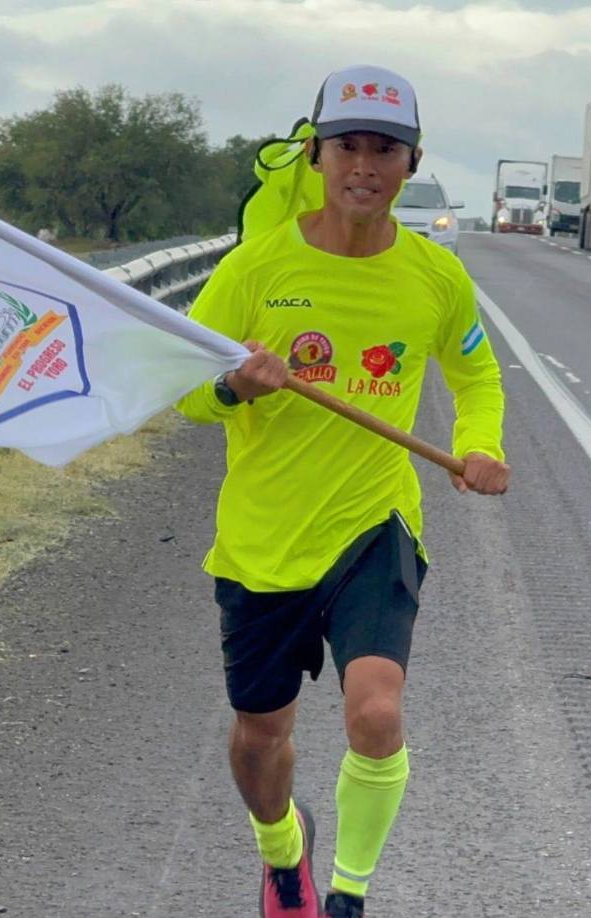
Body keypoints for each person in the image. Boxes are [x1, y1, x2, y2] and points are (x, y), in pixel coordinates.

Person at [175, 64, 509, 918]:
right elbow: (180, 389)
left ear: (412, 161)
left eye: (385, 150)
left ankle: (350, 895)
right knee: (260, 738)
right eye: (348, 147)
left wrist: (479, 446)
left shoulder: (435, 275)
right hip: (265, 536)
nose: (365, 165)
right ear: (317, 156)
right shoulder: (256, 269)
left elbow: (475, 374)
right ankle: (284, 856)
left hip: (375, 522)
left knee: (376, 711)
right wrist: (234, 388)